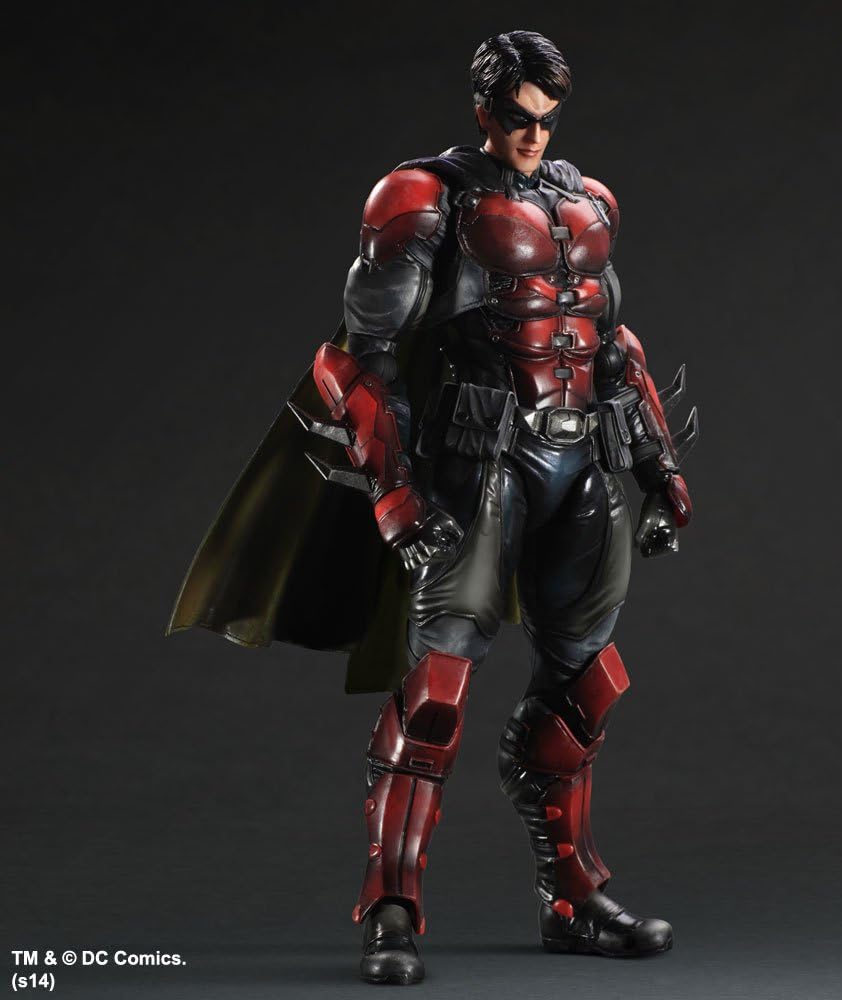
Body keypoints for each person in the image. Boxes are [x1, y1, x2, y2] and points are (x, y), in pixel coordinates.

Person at [169, 29, 697, 987]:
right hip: (477, 467)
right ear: (484, 108)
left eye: (547, 119)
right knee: (437, 697)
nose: (532, 135)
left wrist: (660, 469)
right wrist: (398, 497)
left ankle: (573, 900)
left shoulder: (589, 201)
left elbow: (612, 344)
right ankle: (391, 909)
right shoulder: (422, 197)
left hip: (580, 465)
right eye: (517, 117)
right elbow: (354, 359)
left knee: (584, 689)